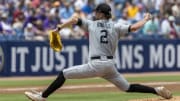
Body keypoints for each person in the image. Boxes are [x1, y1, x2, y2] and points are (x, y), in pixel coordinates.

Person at [24, 3, 172, 101]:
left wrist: (60, 28)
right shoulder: (116, 26)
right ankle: (157, 90)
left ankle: (42, 97)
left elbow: (75, 19)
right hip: (110, 66)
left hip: (95, 64)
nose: (95, 14)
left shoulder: (92, 24)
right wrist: (146, 19)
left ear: (101, 14)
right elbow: (134, 28)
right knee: (127, 87)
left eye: (97, 12)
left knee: (64, 73)